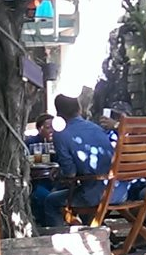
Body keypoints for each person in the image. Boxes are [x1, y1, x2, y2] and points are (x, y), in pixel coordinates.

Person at [43, 95, 125, 228]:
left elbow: (70, 173)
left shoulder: (61, 134)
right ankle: (94, 232)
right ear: (79, 109)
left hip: (97, 195)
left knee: (51, 200)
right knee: (83, 189)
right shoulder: (96, 128)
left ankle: (58, 236)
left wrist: (59, 173)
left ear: (58, 113)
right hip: (120, 190)